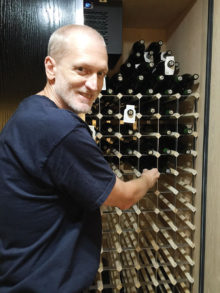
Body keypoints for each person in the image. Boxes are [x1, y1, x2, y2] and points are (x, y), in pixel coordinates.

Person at [0, 24, 160, 292]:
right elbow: (123, 198)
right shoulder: (61, 129)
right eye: (81, 70)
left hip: (19, 274)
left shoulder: (30, 109)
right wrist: (147, 179)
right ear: (51, 68)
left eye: (101, 73)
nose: (93, 85)